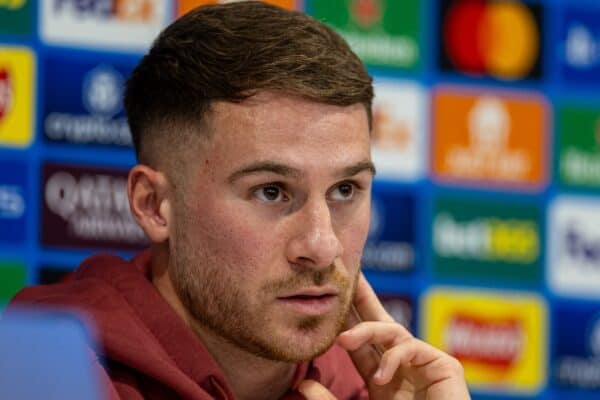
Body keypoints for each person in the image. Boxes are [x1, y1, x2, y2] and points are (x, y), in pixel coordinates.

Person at [10, 2, 470, 399]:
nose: (323, 245)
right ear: (154, 205)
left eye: (345, 190)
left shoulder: (376, 385)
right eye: (271, 191)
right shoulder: (38, 375)